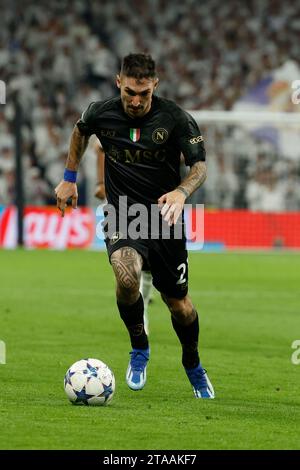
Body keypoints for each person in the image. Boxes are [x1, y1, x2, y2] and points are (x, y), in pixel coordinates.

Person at [55, 53, 214, 399]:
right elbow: (80, 131)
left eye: (144, 93)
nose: (136, 100)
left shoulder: (175, 118)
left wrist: (181, 191)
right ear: (119, 82)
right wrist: (69, 178)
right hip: (122, 212)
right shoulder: (101, 112)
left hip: (164, 219)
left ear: (155, 85)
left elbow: (199, 166)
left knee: (180, 305)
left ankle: (193, 363)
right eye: (130, 92)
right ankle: (139, 348)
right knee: (126, 277)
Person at [94, 141, 153, 335]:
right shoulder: (113, 122)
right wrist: (100, 183)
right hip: (118, 198)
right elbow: (100, 147)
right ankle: (140, 310)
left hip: (148, 196)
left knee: (149, 261)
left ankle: (144, 292)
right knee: (125, 261)